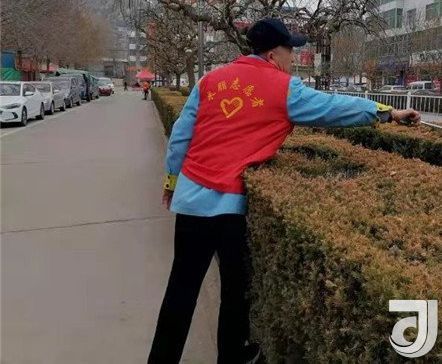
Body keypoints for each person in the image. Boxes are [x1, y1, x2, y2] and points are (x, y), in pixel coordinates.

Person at [148, 18, 421, 364]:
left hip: (190, 203)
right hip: (230, 209)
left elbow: (180, 139)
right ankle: (231, 357)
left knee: (181, 289)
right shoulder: (284, 88)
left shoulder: (210, 81)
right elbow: (333, 107)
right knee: (234, 291)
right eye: (290, 49)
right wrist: (386, 113)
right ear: (273, 54)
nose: (293, 56)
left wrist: (172, 183)